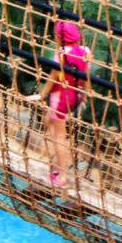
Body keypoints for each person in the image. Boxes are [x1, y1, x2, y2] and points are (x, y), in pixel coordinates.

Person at [34, 20, 92, 188]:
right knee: (49, 122)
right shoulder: (85, 51)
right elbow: (86, 75)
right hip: (73, 96)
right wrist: (84, 93)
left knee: (59, 137)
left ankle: (62, 176)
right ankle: (56, 165)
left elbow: (53, 77)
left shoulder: (61, 54)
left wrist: (41, 95)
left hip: (60, 97)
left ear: (60, 37)